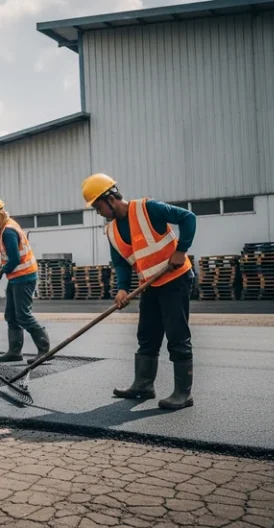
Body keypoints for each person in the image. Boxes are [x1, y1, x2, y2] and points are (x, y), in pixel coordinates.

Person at [81, 173, 197, 410]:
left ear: (110, 198)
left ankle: (183, 394)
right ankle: (144, 385)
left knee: (177, 335)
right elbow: (122, 263)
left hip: (176, 279)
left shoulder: (148, 208)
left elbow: (188, 218)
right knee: (147, 334)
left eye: (98, 207)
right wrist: (122, 289)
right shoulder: (112, 231)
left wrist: (181, 250)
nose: (98, 212)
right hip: (151, 284)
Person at [0, 195, 51, 364]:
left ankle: (44, 349)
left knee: (23, 316)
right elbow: (9, 256)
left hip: (24, 278)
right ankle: (14, 351)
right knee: (11, 315)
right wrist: (2, 267)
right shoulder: (6, 227)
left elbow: (15, 259)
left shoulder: (9, 231)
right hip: (16, 278)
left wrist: (1, 272)